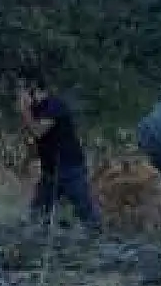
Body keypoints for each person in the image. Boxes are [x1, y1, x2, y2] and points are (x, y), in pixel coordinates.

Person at [17, 70, 102, 233]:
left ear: (33, 89)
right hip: (50, 173)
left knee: (87, 215)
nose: (19, 95)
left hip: (71, 170)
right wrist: (27, 161)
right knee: (36, 215)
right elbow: (38, 141)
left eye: (22, 90)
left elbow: (38, 131)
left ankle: (102, 244)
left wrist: (24, 110)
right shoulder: (37, 110)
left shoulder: (54, 106)